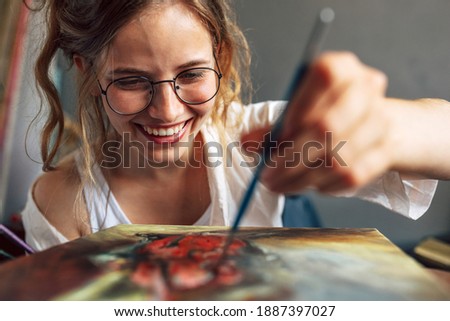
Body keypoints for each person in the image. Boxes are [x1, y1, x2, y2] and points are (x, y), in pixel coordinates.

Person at [21, 0, 446, 251]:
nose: (168, 112)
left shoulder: (258, 138)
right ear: (88, 73)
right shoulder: (61, 205)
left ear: (220, 61)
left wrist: (386, 129)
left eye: (191, 75)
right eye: (131, 81)